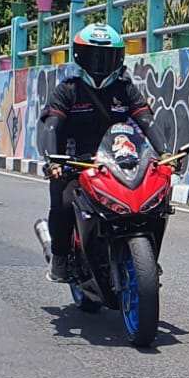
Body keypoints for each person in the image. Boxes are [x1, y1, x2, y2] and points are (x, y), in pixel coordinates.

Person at [38, 23, 165, 283]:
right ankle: (60, 257)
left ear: (118, 58)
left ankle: (149, 258)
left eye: (106, 57)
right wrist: (54, 161)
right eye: (92, 55)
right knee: (62, 205)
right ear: (79, 56)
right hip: (74, 162)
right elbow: (51, 126)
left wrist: (164, 153)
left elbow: (147, 121)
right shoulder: (68, 89)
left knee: (156, 202)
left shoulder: (125, 88)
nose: (99, 63)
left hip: (117, 162)